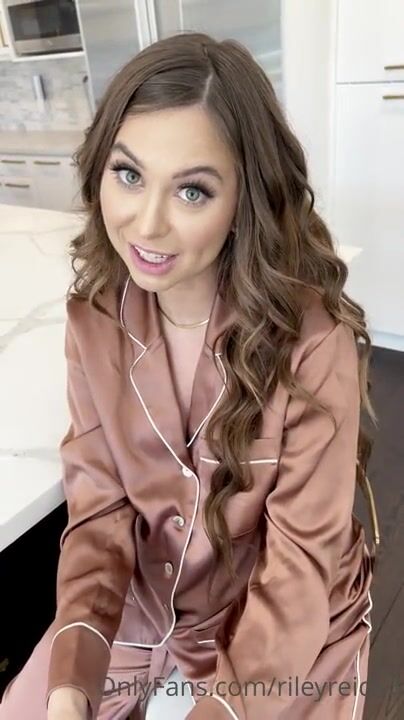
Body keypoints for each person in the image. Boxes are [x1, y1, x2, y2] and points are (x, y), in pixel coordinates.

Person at [0, 31, 377, 720]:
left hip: (276, 625)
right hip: (144, 601)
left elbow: (298, 570)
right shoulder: (94, 319)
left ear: (245, 199)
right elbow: (101, 510)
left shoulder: (314, 345)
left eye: (193, 191)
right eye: (128, 174)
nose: (147, 224)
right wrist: (72, 683)